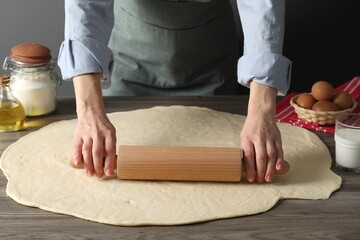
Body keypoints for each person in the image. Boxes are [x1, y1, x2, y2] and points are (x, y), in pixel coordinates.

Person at [58, 0, 292, 183]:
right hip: (129, 60)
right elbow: (85, 5)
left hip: (211, 62)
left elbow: (261, 4)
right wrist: (89, 111)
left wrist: (262, 111)